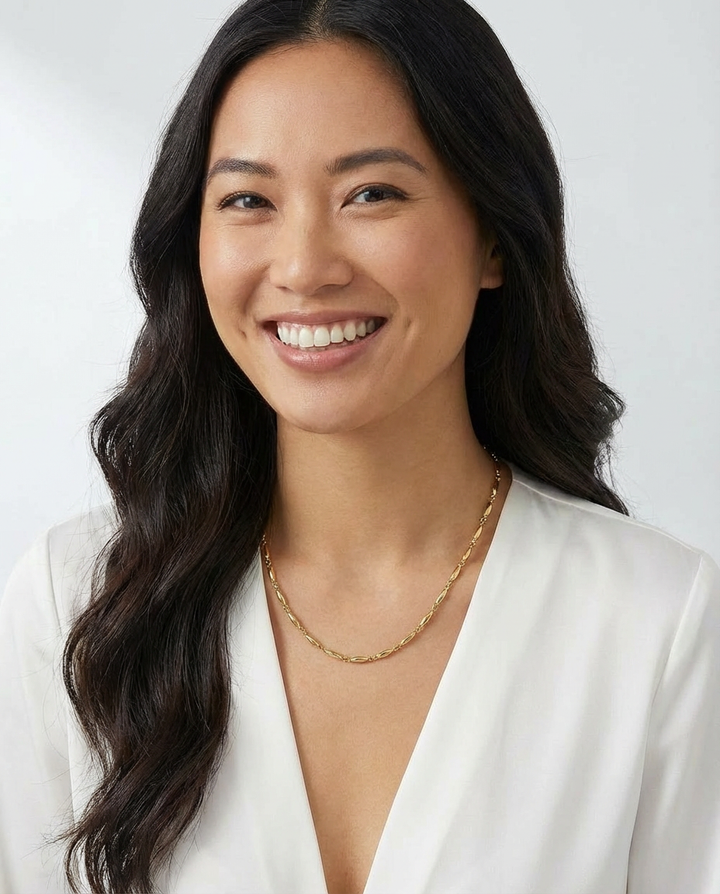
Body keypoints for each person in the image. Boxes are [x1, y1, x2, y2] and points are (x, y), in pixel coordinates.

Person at [2, 0, 719, 891]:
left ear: (494, 234)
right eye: (248, 200)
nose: (304, 266)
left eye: (371, 194)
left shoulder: (661, 625)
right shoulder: (75, 609)